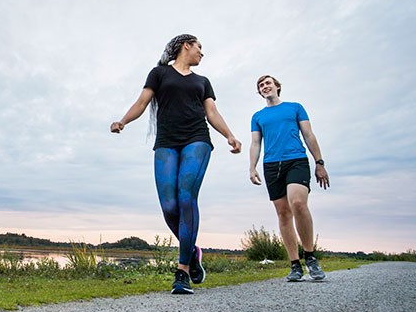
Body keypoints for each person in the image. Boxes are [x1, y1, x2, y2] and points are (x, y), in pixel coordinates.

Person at [110, 34, 242, 294]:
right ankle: (192, 251)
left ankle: (181, 272)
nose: (202, 53)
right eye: (199, 47)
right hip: (167, 141)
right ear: (186, 46)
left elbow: (212, 113)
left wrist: (229, 135)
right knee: (169, 205)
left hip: (197, 139)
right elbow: (142, 102)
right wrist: (123, 121)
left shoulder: (202, 82)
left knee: (185, 197)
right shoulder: (159, 74)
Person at [248, 74, 330, 281]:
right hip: (272, 165)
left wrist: (319, 162)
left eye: (268, 83)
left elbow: (309, 135)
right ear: (259, 92)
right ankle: (295, 265)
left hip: (297, 160)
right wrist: (252, 167)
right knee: (283, 214)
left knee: (298, 203)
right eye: (261, 85)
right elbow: (256, 143)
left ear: (277, 86)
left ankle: (310, 257)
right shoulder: (257, 116)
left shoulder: (295, 107)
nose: (264, 86)